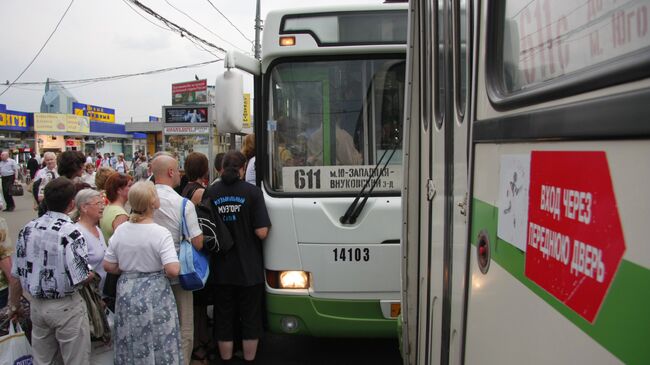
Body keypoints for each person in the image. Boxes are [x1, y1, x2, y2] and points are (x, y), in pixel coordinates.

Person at [10, 177, 94, 364]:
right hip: (65, 304)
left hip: (37, 304)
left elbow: (16, 273)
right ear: (72, 203)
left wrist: (13, 305)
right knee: (75, 358)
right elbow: (80, 276)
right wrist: (92, 273)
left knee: (43, 358)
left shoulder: (28, 228)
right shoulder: (70, 232)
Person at [103, 181, 183, 365]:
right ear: (152, 202)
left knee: (130, 336)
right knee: (159, 336)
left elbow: (109, 265)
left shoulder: (122, 230)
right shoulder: (160, 233)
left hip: (127, 289)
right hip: (155, 291)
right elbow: (172, 269)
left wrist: (128, 268)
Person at [203, 151, 271, 363]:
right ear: (243, 168)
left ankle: (226, 360)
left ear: (221, 168)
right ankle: (249, 359)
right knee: (250, 318)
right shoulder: (252, 192)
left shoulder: (210, 192)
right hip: (248, 268)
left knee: (223, 318)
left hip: (220, 268)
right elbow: (262, 232)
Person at [151, 154, 203, 365]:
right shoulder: (183, 204)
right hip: (178, 274)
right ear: (171, 172)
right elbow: (197, 242)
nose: (180, 174)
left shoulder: (142, 199)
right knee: (184, 326)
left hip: (149, 274)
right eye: (178, 170)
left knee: (156, 327)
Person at [74, 189, 107, 293]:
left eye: (102, 203)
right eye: (98, 203)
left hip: (103, 291)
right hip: (91, 294)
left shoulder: (97, 229)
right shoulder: (78, 233)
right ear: (84, 207)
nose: (102, 207)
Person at [99, 172, 132, 243]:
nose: (132, 188)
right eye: (129, 186)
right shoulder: (121, 215)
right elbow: (122, 244)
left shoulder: (108, 207)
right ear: (119, 190)